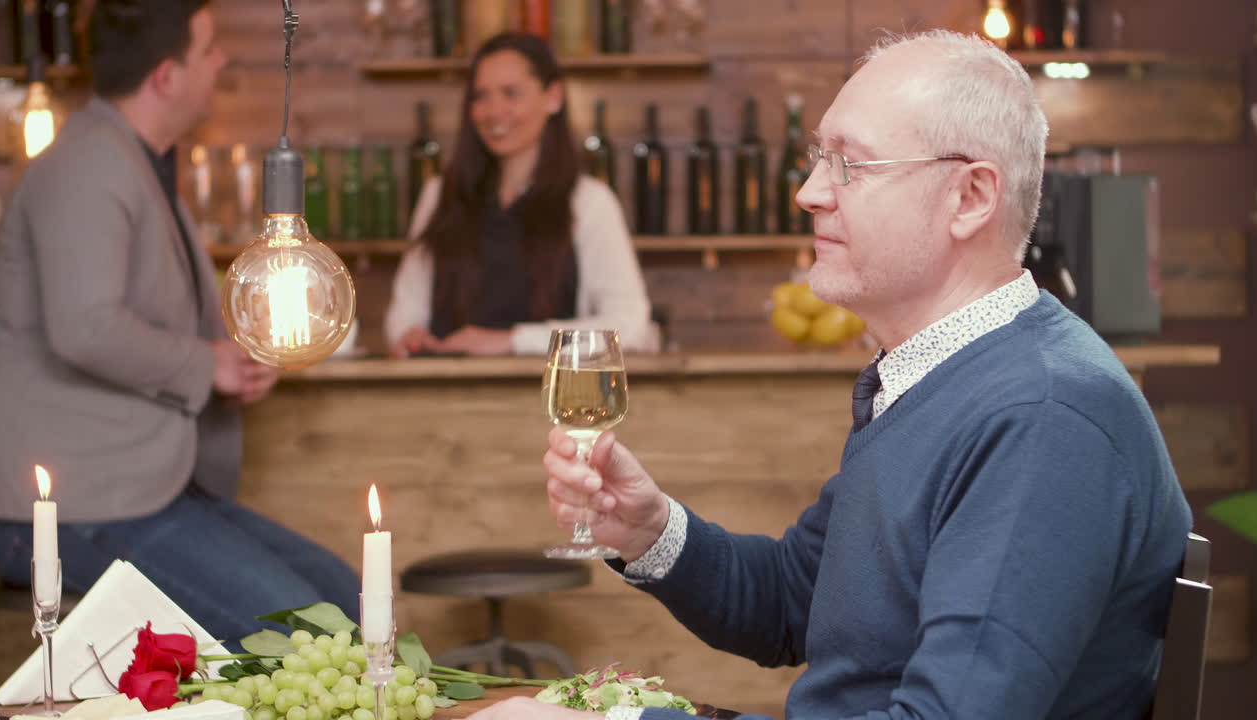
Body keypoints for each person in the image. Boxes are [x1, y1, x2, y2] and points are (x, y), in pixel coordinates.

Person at [470, 30, 1193, 720]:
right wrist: (648, 529)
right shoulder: (930, 377)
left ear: (970, 197)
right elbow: (794, 601)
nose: (810, 192)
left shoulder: (1043, 415)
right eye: (819, 158)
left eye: (850, 164)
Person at [0, 0, 361, 642]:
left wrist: (225, 359)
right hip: (67, 507)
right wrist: (206, 364)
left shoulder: (135, 159)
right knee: (307, 634)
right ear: (165, 75)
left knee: (343, 598)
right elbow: (85, 326)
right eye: (208, 49)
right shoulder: (89, 164)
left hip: (138, 494)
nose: (222, 61)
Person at [383, 32, 656, 357]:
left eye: (511, 93)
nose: (494, 111)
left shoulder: (590, 202)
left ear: (553, 97)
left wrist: (513, 340)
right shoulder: (439, 195)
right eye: (481, 96)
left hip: (548, 388)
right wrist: (408, 335)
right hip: (444, 386)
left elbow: (630, 326)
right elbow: (405, 311)